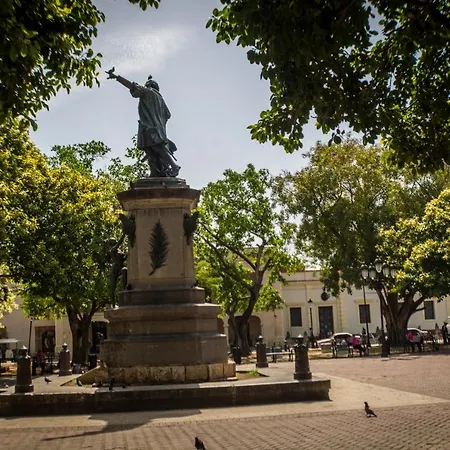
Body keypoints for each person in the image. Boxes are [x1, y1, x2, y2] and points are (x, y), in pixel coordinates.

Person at [106, 67, 180, 178]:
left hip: (149, 127)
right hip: (151, 128)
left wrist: (117, 77)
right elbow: (167, 115)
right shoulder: (161, 99)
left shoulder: (148, 92)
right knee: (149, 150)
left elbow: (132, 86)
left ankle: (174, 166)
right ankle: (154, 172)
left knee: (157, 148)